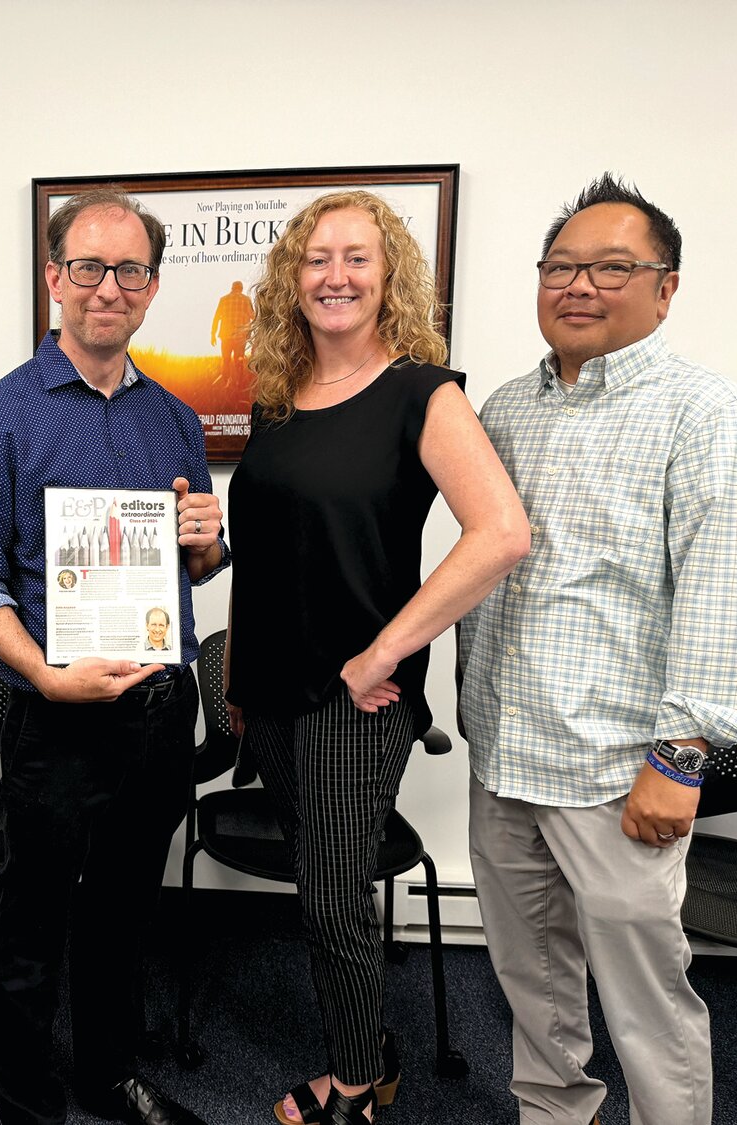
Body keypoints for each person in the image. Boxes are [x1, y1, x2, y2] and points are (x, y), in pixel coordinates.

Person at [461, 173, 737, 1125]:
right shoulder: (507, 407)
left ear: (665, 287)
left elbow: (723, 599)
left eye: (611, 267)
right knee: (531, 973)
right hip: (508, 754)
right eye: (561, 266)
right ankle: (555, 1111)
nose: (579, 285)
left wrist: (678, 760)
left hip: (618, 769)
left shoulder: (703, 413)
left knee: (647, 992)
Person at [224, 190, 529, 1125]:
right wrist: (237, 673)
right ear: (293, 277)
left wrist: (381, 653)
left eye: (357, 257)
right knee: (322, 886)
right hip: (270, 692)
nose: (336, 275)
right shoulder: (276, 400)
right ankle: (370, 1046)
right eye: (317, 259)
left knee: (331, 899)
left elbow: (502, 534)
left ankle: (357, 1082)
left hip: (354, 699)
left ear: (390, 273)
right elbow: (273, 555)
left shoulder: (423, 393)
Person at [0, 188, 228, 1125]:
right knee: (30, 920)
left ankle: (110, 1075)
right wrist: (45, 675)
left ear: (152, 285)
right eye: (91, 268)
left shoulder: (176, 421)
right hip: (56, 712)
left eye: (132, 270)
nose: (111, 287)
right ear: (55, 277)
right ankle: (26, 1102)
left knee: (121, 910)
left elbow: (194, 567)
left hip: (156, 710)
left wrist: (206, 544)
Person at [210, 279, 254, 383]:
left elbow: (216, 317)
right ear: (241, 288)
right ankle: (239, 383)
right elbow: (253, 316)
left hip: (225, 336)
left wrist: (213, 334)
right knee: (239, 360)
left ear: (232, 288)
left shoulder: (223, 299)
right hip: (240, 337)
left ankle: (225, 382)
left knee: (226, 360)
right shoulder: (246, 299)